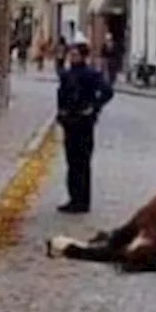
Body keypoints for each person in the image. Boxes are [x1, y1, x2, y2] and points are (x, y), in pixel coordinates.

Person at [55, 41, 114, 213]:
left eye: (75, 55)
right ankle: (73, 198)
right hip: (69, 123)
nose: (72, 57)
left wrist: (94, 107)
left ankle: (82, 201)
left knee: (82, 162)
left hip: (83, 123)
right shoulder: (67, 74)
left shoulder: (91, 74)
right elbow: (61, 95)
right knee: (71, 162)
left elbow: (107, 92)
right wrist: (61, 114)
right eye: (70, 55)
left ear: (83, 56)